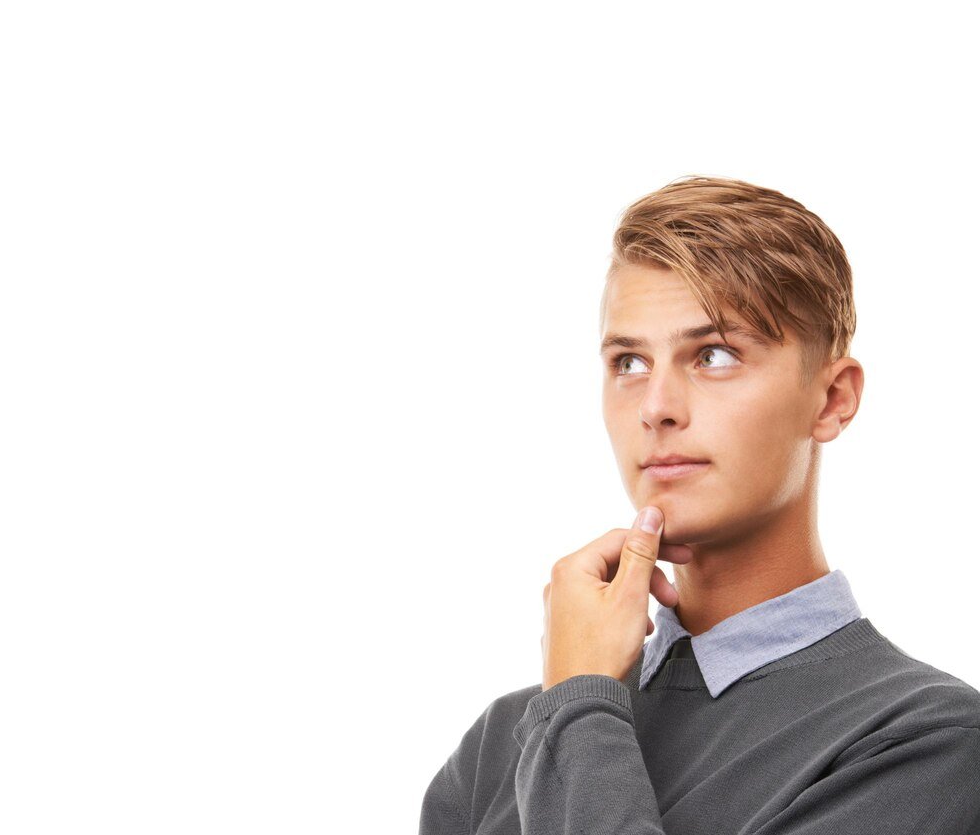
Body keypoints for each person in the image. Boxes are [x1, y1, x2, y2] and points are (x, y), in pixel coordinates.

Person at [418, 176, 980, 835]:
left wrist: (577, 705)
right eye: (629, 362)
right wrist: (574, 700)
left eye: (713, 355)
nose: (655, 407)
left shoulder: (927, 743)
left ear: (832, 399)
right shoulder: (497, 750)